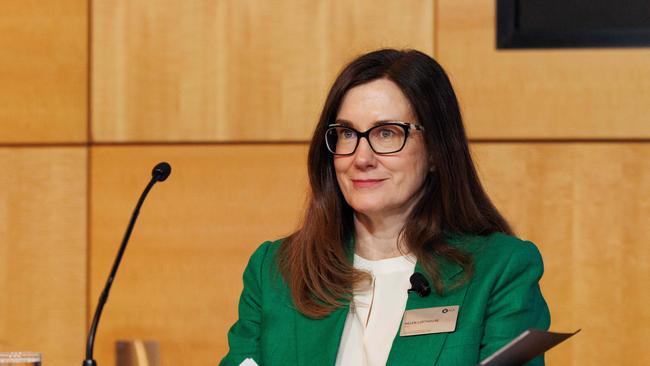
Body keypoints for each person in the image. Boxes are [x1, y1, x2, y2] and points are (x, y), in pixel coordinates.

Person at [220, 49, 550, 366]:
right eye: (347, 133)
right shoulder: (277, 271)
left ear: (436, 149)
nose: (361, 158)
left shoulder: (500, 270)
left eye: (387, 133)